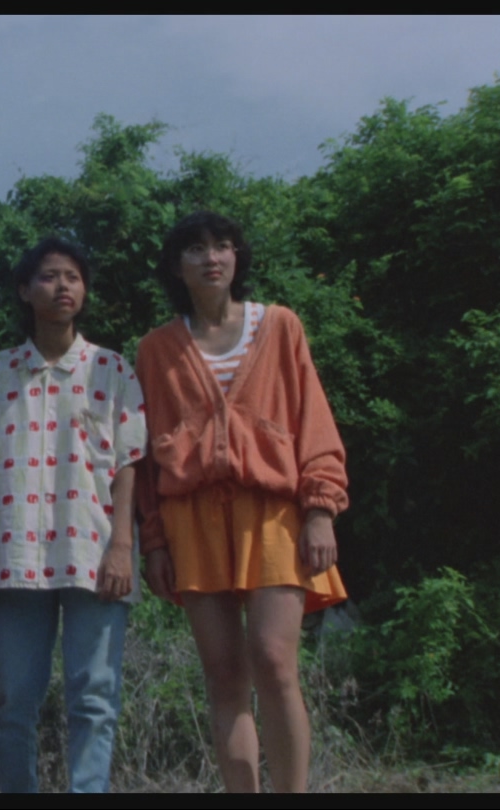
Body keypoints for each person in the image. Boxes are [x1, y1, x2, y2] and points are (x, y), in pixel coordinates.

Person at [135, 211, 348, 793]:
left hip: (273, 511)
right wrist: (154, 542)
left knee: (274, 661)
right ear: (176, 266)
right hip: (191, 518)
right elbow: (147, 460)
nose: (212, 257)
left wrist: (320, 510)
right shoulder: (155, 349)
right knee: (225, 674)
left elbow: (313, 421)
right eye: (197, 248)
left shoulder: (279, 326)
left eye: (223, 246)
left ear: (237, 257)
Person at [0, 237, 146, 793]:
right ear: (24, 290)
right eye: (48, 276)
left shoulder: (111, 368)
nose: (62, 286)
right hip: (16, 554)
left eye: (72, 277)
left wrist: (122, 546)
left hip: (93, 550)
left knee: (94, 697)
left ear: (83, 291)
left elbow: (129, 462)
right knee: (12, 699)